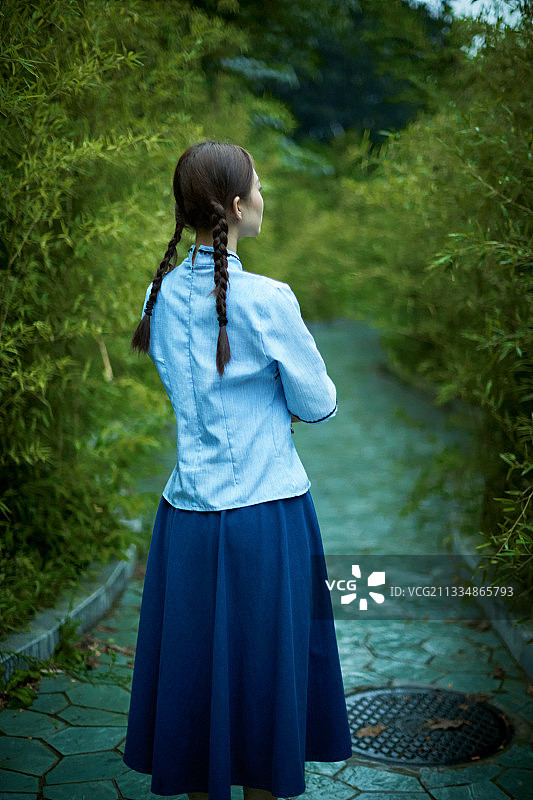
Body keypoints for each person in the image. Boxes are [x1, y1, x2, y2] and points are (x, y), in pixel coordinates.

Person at [122, 140, 353, 800]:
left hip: (186, 519)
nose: (262, 197)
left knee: (196, 676)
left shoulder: (158, 293)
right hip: (266, 516)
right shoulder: (269, 299)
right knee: (264, 677)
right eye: (258, 186)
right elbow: (319, 403)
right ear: (235, 205)